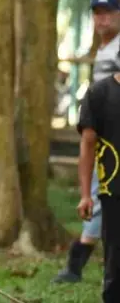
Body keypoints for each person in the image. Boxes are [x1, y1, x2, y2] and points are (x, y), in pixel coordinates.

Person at [54, 0, 120, 283]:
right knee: (98, 195)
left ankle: (74, 266)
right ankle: (75, 266)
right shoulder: (105, 48)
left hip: (111, 140)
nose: (101, 18)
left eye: (108, 12)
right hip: (98, 134)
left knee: (99, 194)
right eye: (97, 13)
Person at [76, 67, 120, 302]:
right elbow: (88, 144)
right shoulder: (99, 93)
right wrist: (85, 194)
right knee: (115, 263)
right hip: (114, 192)